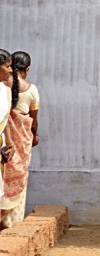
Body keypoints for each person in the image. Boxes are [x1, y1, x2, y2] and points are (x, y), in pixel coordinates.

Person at [1, 52, 39, 228]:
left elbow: (7, 118)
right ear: (27, 69)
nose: (8, 70)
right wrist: (34, 136)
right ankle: (13, 221)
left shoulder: (4, 88)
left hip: (5, 141)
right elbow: (34, 120)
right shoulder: (30, 89)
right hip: (19, 141)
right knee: (19, 177)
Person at [0, 50, 16, 206]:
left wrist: (10, 143)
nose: (11, 71)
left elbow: (6, 119)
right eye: (7, 66)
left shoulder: (5, 91)